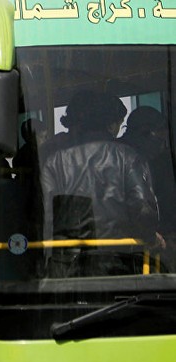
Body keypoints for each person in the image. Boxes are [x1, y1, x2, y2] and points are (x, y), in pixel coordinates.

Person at [40, 90, 161, 276]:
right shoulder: (128, 157)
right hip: (122, 263)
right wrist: (151, 237)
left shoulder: (54, 161)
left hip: (68, 268)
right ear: (110, 123)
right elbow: (143, 210)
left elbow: (45, 217)